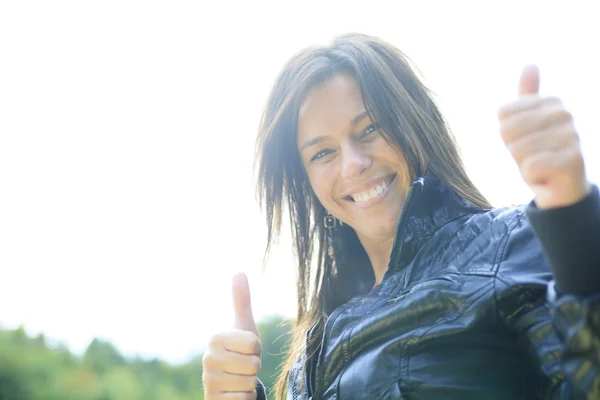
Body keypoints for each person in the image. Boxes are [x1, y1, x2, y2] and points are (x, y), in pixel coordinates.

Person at [201, 33, 600, 399]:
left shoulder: (514, 242)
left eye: (370, 128)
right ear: (307, 184)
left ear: (417, 125)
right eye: (322, 153)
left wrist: (572, 213)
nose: (352, 164)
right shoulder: (310, 352)